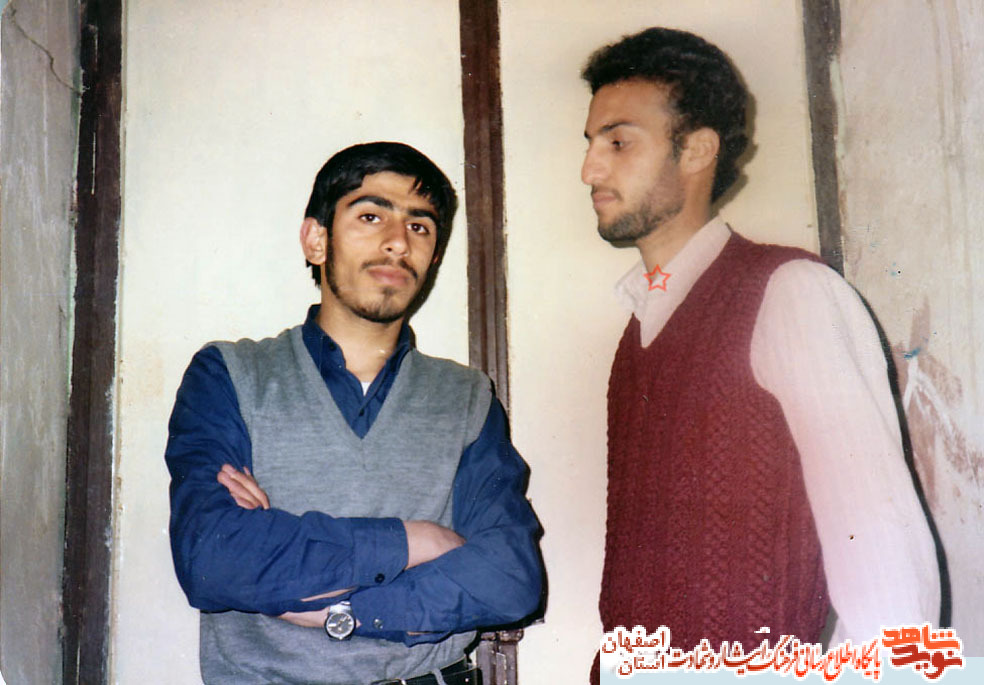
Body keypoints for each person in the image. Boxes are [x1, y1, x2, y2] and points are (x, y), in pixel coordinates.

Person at [579, 27, 940, 680]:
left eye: (618, 142)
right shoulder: (638, 331)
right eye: (590, 144)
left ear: (697, 150)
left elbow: (886, 569)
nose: (590, 170)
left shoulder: (790, 291)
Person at [165, 142, 542, 684]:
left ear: (434, 257)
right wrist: (417, 541)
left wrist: (344, 612)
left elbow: (510, 578)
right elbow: (212, 559)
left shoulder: (466, 396)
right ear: (316, 240)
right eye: (371, 216)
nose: (398, 242)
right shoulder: (231, 374)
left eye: (419, 227)